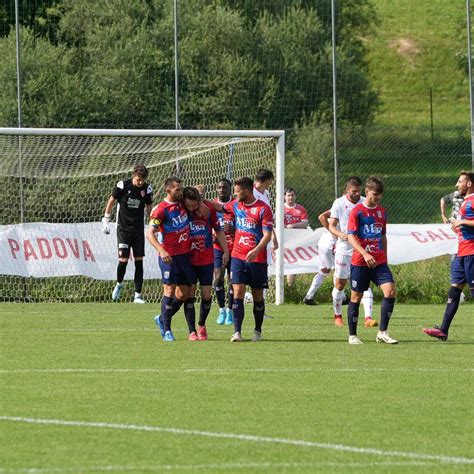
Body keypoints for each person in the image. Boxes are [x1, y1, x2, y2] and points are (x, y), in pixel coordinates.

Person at [218, 177, 273, 342]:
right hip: (238, 256)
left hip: (257, 259)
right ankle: (237, 332)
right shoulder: (235, 205)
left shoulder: (263, 209)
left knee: (257, 295)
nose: (235, 194)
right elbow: (219, 207)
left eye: (237, 191)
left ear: (247, 191)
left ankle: (257, 330)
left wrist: (256, 250)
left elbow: (267, 235)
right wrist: (200, 199)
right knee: (238, 292)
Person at [346, 176, 398, 345]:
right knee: (356, 297)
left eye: (379, 195)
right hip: (361, 261)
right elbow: (351, 237)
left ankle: (382, 332)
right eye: (374, 194)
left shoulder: (382, 212)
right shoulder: (357, 212)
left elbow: (382, 236)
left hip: (379, 262)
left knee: (390, 291)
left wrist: (385, 257)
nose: (376, 198)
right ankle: (352, 335)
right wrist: (365, 253)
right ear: (366, 192)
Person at [424, 171, 474, 341]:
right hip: (462, 252)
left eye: (460, 182)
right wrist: (459, 227)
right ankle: (443, 330)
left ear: (469, 184)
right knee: (454, 289)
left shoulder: (473, 200)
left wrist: (462, 222)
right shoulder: (465, 202)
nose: (456, 185)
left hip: (472, 252)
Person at [177, 187, 229, 340]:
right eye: (190, 205)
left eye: (195, 204)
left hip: (206, 258)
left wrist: (226, 251)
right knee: (190, 294)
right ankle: (191, 331)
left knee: (207, 294)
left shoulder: (208, 210)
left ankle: (201, 325)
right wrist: (199, 203)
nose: (192, 208)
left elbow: (218, 230)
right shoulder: (181, 209)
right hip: (189, 258)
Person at [146, 177, 192, 342]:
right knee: (169, 291)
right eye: (177, 189)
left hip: (185, 255)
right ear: (168, 190)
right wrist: (162, 250)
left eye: (181, 188)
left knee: (185, 293)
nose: (181, 191)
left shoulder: (182, 203)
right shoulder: (161, 209)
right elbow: (150, 233)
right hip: (169, 258)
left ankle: (161, 318)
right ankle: (167, 330)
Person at [328, 177, 376, 328]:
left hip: (362, 249)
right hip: (344, 248)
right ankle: (337, 315)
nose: (357, 194)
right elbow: (331, 225)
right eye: (354, 191)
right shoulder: (339, 203)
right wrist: (340, 234)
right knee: (340, 284)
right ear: (347, 190)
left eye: (359, 191)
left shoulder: (364, 202)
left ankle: (368, 318)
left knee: (365, 284)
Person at [101, 164, 153, 303]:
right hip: (123, 229)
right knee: (123, 260)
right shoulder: (123, 185)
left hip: (138, 230)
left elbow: (149, 207)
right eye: (138, 179)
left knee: (139, 261)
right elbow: (111, 201)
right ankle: (119, 284)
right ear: (133, 175)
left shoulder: (146, 189)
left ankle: (137, 295)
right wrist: (106, 219)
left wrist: (153, 224)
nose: (140, 182)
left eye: (142, 179)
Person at [253, 169, 278, 318]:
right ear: (268, 180)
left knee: (264, 272)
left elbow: (268, 219)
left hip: (265, 239)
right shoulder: (251, 194)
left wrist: (274, 236)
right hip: (253, 238)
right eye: (271, 180)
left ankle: (261, 309)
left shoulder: (266, 194)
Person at [213, 178, 236, 325]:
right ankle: (221, 309)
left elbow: (244, 223)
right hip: (218, 247)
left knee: (234, 280)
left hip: (235, 247)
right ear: (217, 189)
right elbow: (206, 222)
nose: (222, 190)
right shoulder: (211, 205)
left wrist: (234, 229)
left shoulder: (236, 205)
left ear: (230, 189)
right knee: (219, 277)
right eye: (220, 187)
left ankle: (230, 311)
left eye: (225, 187)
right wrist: (212, 233)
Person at [303, 210, 337, 305]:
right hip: (332, 244)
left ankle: (309, 296)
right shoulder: (341, 205)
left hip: (325, 243)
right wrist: (333, 233)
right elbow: (322, 216)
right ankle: (340, 297)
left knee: (324, 270)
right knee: (338, 269)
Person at [284, 187, 309, 286]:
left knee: (292, 263)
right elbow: (273, 221)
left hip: (296, 240)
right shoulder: (280, 208)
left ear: (295, 196)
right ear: (284, 197)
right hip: (283, 239)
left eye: (292, 195)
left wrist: (292, 226)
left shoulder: (300, 209)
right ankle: (279, 287)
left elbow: (305, 223)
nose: (290, 197)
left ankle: (290, 287)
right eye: (288, 195)